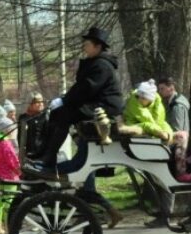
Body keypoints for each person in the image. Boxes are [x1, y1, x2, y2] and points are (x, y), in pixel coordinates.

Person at [27, 26, 124, 174]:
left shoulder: (102, 65)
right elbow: (81, 87)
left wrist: (65, 101)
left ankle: (48, 159)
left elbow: (86, 88)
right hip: (95, 103)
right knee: (58, 113)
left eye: (87, 44)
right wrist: (64, 99)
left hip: (105, 106)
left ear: (98, 46)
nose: (84, 46)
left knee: (63, 114)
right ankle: (44, 154)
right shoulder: (95, 62)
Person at [122, 79, 175, 227]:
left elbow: (159, 122)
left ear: (150, 98)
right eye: (139, 97)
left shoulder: (156, 101)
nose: (139, 99)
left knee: (162, 179)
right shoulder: (134, 102)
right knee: (159, 179)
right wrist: (160, 133)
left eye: (142, 98)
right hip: (143, 136)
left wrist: (166, 135)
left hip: (154, 141)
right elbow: (147, 123)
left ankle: (165, 213)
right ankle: (164, 212)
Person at [0, 124, 20, 234]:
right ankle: (8, 227)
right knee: (9, 202)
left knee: (0, 202)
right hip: (10, 176)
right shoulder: (6, 143)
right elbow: (12, 159)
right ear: (8, 130)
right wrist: (19, 170)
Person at [18, 92, 47, 159]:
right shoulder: (23, 118)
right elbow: (20, 137)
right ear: (30, 104)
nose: (41, 104)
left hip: (42, 154)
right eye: (37, 102)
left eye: (42, 102)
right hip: (27, 154)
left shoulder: (45, 116)